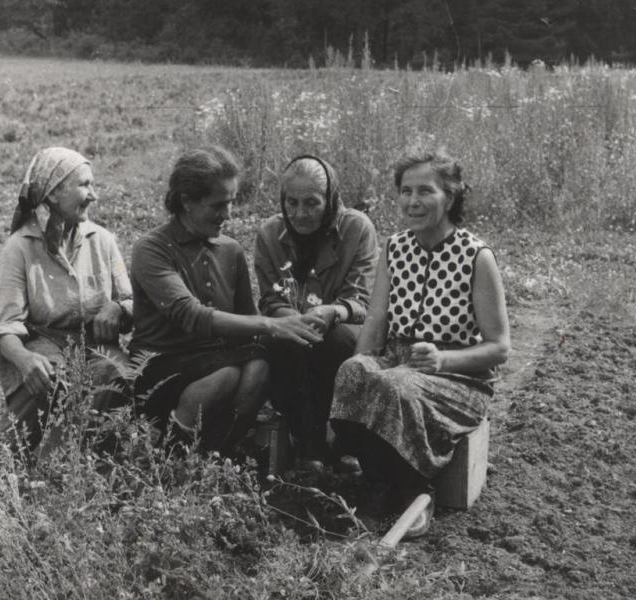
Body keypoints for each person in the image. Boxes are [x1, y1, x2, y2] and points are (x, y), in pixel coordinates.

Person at [330, 151, 510, 537]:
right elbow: (376, 321)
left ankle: (415, 493)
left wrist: (442, 359)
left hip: (459, 376)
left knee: (397, 385)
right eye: (405, 191)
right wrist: (355, 381)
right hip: (399, 361)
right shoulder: (395, 248)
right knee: (351, 372)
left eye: (425, 191)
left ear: (450, 196)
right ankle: (379, 483)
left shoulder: (477, 257)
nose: (413, 201)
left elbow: (499, 348)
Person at [130, 145, 323, 455]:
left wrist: (294, 328)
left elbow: (245, 317)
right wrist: (272, 325)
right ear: (187, 201)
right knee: (225, 376)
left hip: (216, 358)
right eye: (218, 205)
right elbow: (189, 314)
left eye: (232, 203)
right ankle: (172, 454)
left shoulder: (230, 250)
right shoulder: (153, 249)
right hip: (161, 362)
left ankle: (219, 451)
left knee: (259, 367)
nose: (228, 214)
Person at [0, 147, 133, 456]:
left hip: (95, 346)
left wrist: (117, 308)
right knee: (48, 379)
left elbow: (131, 301)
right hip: (44, 343)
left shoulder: (103, 241)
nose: (93, 195)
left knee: (119, 375)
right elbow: (7, 328)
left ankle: (87, 456)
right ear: (54, 194)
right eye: (84, 185)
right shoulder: (19, 248)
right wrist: (25, 360)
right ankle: (23, 456)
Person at [253, 155, 378, 470]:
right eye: (291, 202)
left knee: (335, 344)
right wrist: (291, 319)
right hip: (294, 325)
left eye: (311, 203)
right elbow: (269, 299)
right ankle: (308, 446)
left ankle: (342, 438)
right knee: (279, 343)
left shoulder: (356, 228)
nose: (299, 213)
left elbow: (362, 299)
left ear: (331, 199)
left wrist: (333, 311)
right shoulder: (270, 234)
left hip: (342, 325)